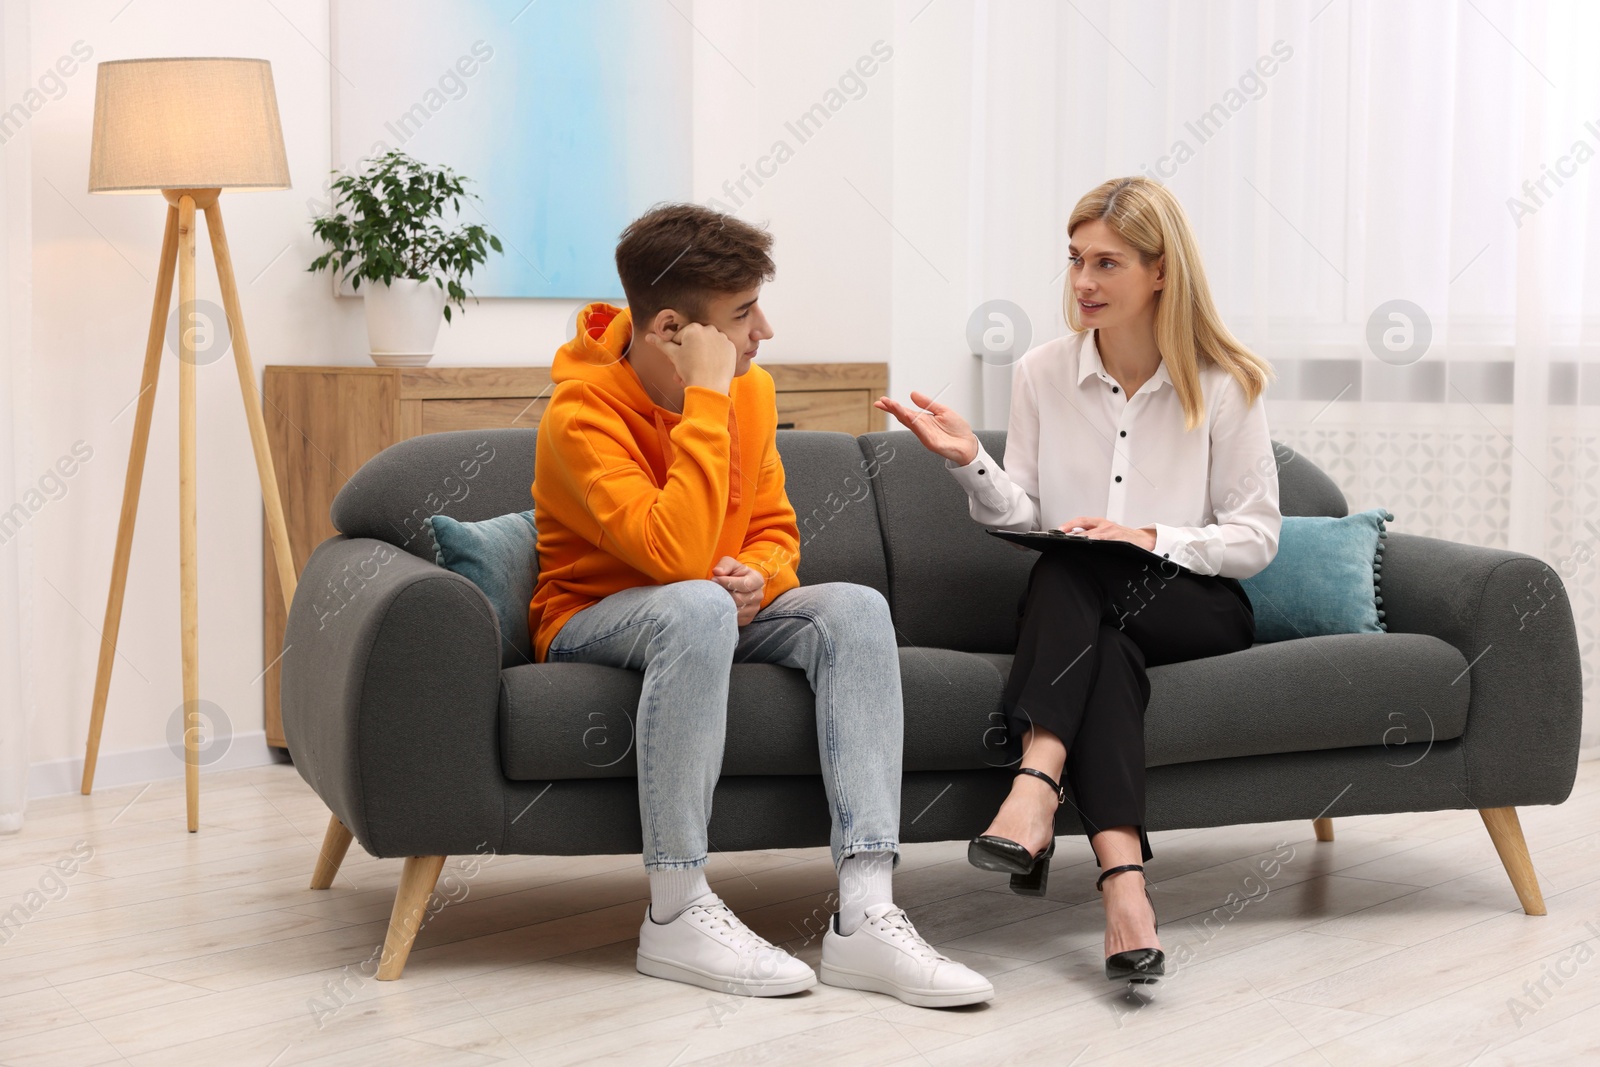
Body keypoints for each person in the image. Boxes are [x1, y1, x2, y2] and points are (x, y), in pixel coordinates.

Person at [528, 203, 993, 1007]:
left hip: (710, 609)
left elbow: (775, 531)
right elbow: (671, 555)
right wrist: (705, 401)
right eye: (742, 315)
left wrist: (762, 578)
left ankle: (867, 914)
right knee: (695, 606)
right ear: (673, 329)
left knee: (852, 607)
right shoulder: (580, 416)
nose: (763, 331)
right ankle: (675, 911)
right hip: (592, 620)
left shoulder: (750, 391)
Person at [877, 176, 1281, 988]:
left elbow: (1256, 536)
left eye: (1107, 263)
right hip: (1086, 607)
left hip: (1193, 604)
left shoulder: (1225, 381)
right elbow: (1019, 509)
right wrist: (971, 463)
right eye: (1074, 261)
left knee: (1077, 564)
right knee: (1098, 632)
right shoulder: (1040, 372)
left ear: (1160, 271)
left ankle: (1035, 783)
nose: (1084, 282)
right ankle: (1126, 892)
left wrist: (1145, 537)